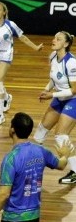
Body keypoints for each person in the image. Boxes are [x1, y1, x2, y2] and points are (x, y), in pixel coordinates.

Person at [0, 112, 73, 222]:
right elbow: (61, 164)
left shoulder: (11, 159)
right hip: (33, 218)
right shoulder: (40, 151)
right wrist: (65, 155)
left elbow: (4, 194)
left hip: (13, 220)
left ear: (12, 130)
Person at [0, 1, 44, 126]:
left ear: (4, 12)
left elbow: (23, 37)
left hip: (6, 55)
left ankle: (0, 115)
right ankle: (7, 97)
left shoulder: (10, 25)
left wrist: (36, 47)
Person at [33, 31, 76, 185]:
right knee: (40, 132)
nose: (53, 40)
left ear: (65, 44)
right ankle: (35, 163)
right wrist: (47, 89)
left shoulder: (71, 63)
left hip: (73, 99)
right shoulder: (52, 56)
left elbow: (74, 90)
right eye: (54, 38)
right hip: (59, 97)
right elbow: (53, 78)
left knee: (61, 136)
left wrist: (52, 95)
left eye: (58, 39)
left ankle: (75, 171)